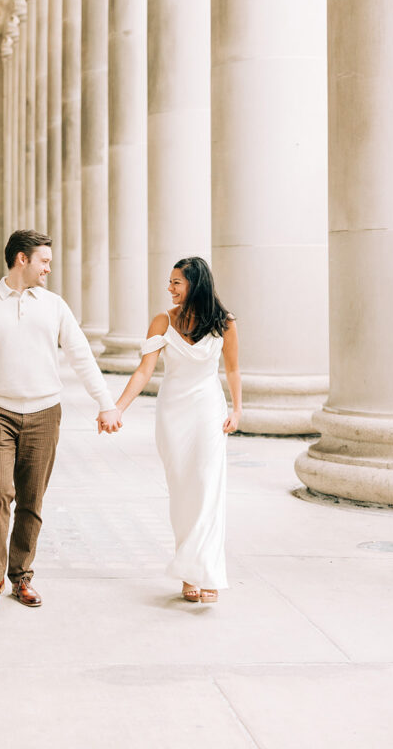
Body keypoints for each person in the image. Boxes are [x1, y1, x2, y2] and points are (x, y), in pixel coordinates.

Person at [0, 229, 118, 614]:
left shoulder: (55, 305)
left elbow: (81, 356)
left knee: (31, 500)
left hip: (45, 413)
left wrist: (105, 403)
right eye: (43, 260)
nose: (48, 268)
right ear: (22, 259)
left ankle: (20, 576)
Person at [99, 257, 241, 604]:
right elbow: (144, 371)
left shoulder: (225, 323)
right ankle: (189, 572)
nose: (170, 288)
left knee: (208, 486)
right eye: (170, 282)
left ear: (195, 284)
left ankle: (207, 572)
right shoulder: (163, 320)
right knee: (182, 491)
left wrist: (238, 409)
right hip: (173, 413)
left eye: (176, 282)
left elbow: (233, 370)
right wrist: (118, 407)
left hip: (208, 409)